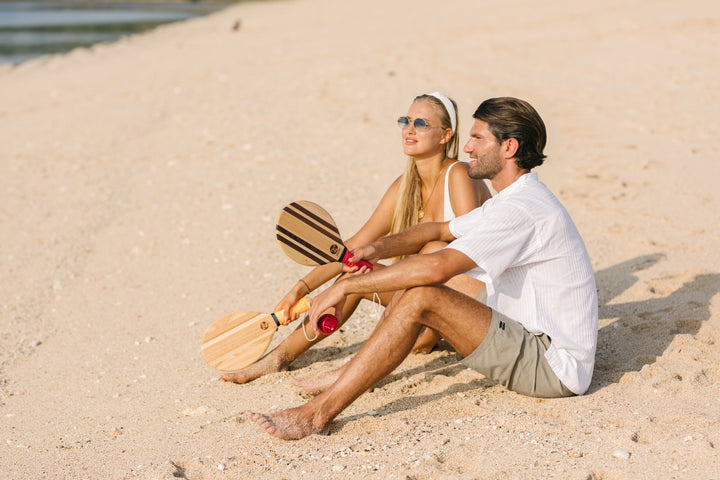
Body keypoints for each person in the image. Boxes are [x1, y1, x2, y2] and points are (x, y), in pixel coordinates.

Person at [246, 97, 599, 440]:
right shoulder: (513, 199)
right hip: (526, 337)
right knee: (417, 283)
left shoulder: (520, 210)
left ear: (508, 147)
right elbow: (439, 230)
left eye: (478, 138)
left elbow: (437, 268)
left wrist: (343, 287)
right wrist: (375, 249)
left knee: (422, 296)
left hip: (552, 365)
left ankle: (315, 414)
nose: (469, 147)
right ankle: (341, 375)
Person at [221, 92, 491, 384]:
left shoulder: (460, 174)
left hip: (479, 303)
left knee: (434, 247)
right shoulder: (404, 187)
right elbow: (352, 247)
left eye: (422, 123)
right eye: (406, 121)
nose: (409, 129)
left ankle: (372, 360)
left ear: (445, 135)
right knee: (354, 276)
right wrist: (300, 288)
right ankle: (279, 357)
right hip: (429, 296)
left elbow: (468, 253)